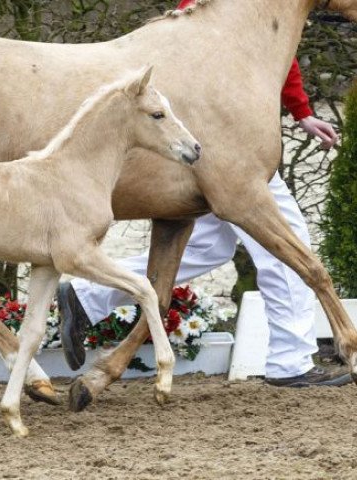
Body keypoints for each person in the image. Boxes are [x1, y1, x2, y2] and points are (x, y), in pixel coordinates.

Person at [58, 0, 349, 387]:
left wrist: (301, 111)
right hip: (227, 145)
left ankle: (87, 295)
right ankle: (290, 363)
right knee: (287, 247)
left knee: (211, 247)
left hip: (214, 139)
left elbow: (268, 49)